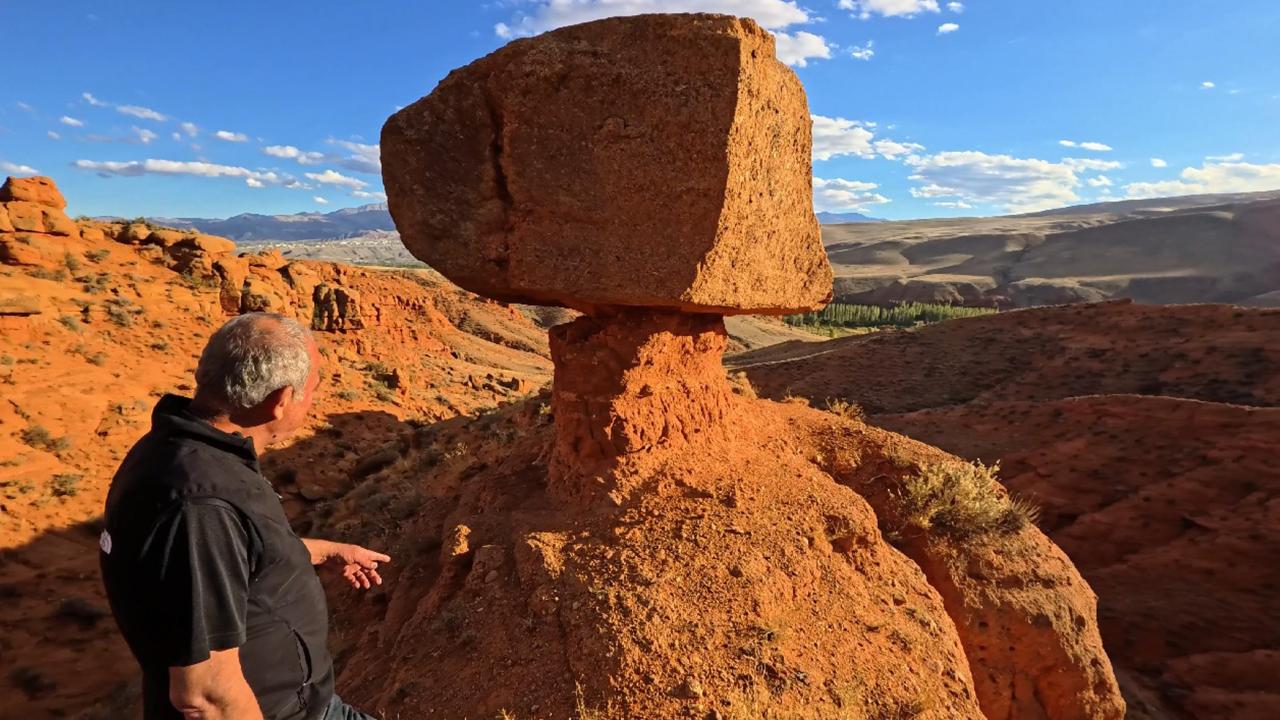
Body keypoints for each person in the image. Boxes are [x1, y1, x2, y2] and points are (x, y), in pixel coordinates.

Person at [100, 312, 387, 720]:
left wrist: (322, 550)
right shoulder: (200, 505)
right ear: (280, 401)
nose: (312, 399)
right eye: (311, 390)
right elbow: (206, 695)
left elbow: (233, 557)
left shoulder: (188, 454)